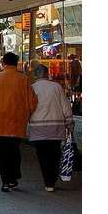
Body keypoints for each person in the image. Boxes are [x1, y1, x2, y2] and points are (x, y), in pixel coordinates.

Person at [0, 52, 38, 192]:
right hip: (17, 121)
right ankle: (14, 177)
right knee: (14, 150)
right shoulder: (23, 79)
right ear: (16, 63)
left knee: (2, 153)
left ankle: (5, 181)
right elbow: (32, 103)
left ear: (3, 63)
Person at [28, 64, 74, 192]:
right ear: (47, 74)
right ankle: (52, 181)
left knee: (42, 156)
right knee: (54, 155)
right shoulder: (56, 87)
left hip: (38, 128)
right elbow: (65, 106)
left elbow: (28, 108)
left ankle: (47, 182)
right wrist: (69, 122)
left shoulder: (32, 88)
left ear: (35, 75)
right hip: (56, 128)